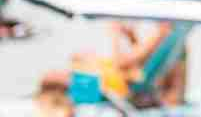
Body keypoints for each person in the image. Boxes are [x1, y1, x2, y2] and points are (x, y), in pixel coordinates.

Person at [40, 21, 188, 107]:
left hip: (127, 80)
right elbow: (124, 65)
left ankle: (161, 35)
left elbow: (131, 66)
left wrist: (125, 37)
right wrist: (116, 37)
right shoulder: (85, 85)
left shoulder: (84, 76)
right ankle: (161, 35)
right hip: (124, 84)